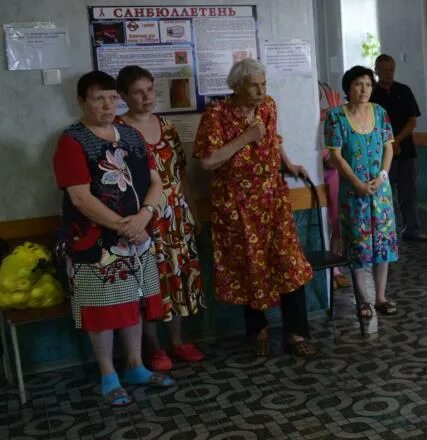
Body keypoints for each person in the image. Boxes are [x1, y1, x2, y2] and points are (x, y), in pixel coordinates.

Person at [52, 71, 174, 406]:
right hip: (97, 242)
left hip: (138, 235)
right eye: (97, 98)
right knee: (102, 309)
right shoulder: (72, 141)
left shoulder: (130, 135)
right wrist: (123, 225)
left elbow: (156, 181)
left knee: (133, 303)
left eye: (111, 97)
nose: (107, 105)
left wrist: (145, 216)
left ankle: (136, 366)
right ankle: (108, 374)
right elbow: (79, 197)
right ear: (82, 102)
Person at [193, 59, 316, 358]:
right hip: (237, 202)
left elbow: (272, 139)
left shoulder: (269, 106)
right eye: (255, 85)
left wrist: (288, 164)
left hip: (272, 197)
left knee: (289, 263)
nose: (262, 91)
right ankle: (257, 330)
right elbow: (207, 161)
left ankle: (296, 333)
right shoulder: (217, 114)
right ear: (237, 86)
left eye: (264, 84)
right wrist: (245, 138)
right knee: (251, 263)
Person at [115, 65, 206, 372]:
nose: (146, 97)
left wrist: (192, 210)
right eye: (138, 92)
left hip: (176, 216)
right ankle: (153, 347)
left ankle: (178, 341)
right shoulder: (117, 130)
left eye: (150, 90)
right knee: (150, 283)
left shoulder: (166, 125)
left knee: (177, 277)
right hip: (144, 219)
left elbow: (181, 172)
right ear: (124, 96)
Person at [324, 65, 399, 333]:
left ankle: (380, 297)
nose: (363, 89)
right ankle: (363, 300)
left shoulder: (380, 113)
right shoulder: (336, 117)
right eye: (358, 84)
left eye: (367, 84)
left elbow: (389, 148)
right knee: (358, 243)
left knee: (383, 243)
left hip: (380, 191)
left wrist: (381, 177)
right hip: (352, 192)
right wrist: (356, 183)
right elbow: (335, 155)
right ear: (348, 88)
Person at [370, 53, 427, 242]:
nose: (388, 74)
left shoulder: (404, 90)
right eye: (384, 70)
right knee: (383, 194)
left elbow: (412, 122)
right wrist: (388, 144)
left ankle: (412, 229)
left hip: (405, 151)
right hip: (380, 153)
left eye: (391, 70)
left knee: (408, 192)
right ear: (376, 70)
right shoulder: (371, 94)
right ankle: (385, 232)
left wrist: (396, 141)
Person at [319, 79, 351, 290]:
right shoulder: (303, 112)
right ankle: (329, 272)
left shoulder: (333, 109)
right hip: (316, 170)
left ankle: (336, 268)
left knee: (336, 220)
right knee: (323, 220)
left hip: (334, 171)